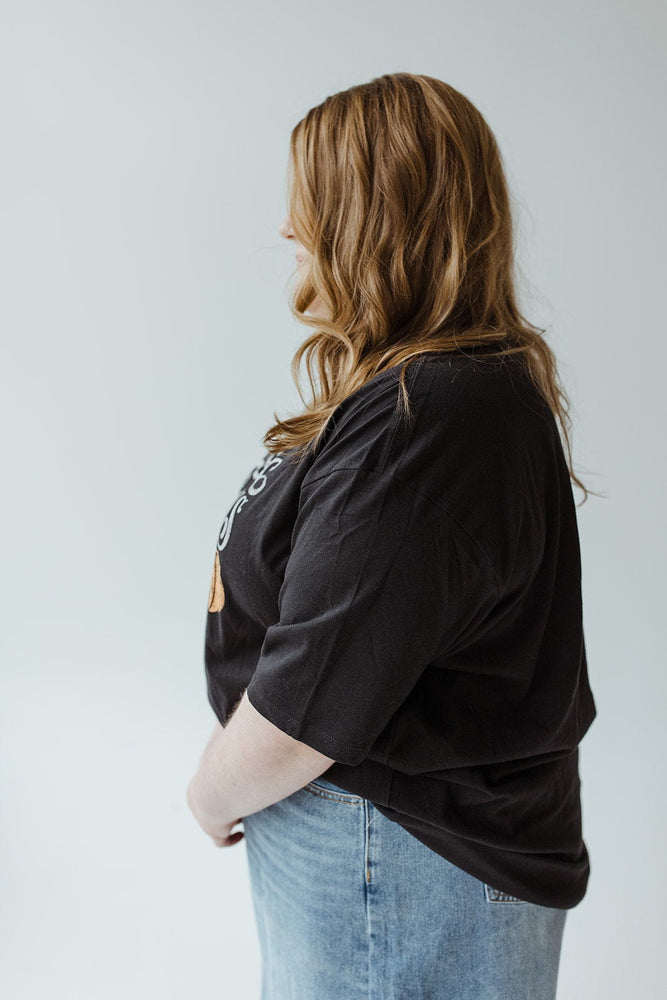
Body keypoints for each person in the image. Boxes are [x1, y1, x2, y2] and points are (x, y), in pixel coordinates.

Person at [186, 72, 599, 1000]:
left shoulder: (429, 416)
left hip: (393, 853)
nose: (289, 227)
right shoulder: (441, 395)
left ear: (373, 217)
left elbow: (309, 703)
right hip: (386, 851)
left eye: (311, 200)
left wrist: (208, 794)